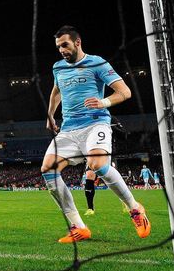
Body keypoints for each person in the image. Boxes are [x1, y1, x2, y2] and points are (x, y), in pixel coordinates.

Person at [42, 26, 149, 243]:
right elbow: (56, 90)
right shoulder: (58, 67)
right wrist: (50, 115)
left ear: (77, 42)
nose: (61, 50)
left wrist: (104, 102)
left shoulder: (97, 62)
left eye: (65, 45)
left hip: (95, 124)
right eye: (58, 47)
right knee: (47, 170)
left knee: (97, 165)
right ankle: (79, 227)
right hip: (69, 129)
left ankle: (135, 208)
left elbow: (124, 92)